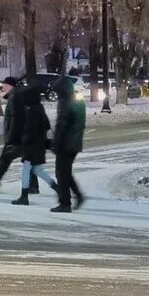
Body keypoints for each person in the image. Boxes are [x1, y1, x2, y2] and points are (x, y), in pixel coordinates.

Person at [0, 76, 37, 194]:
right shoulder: (17, 96)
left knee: (5, 160)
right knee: (28, 161)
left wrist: (11, 138)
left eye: (5, 84)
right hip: (22, 136)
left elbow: (15, 120)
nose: (3, 87)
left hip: (16, 138)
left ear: (11, 86)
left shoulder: (15, 98)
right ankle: (33, 186)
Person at [12, 86, 57, 206]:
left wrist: (23, 142)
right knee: (37, 169)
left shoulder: (31, 111)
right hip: (40, 144)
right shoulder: (40, 108)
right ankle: (57, 188)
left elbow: (30, 131)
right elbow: (47, 125)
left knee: (26, 169)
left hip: (31, 145)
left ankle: (24, 196)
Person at [50, 76, 85, 213]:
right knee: (66, 172)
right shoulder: (77, 100)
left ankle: (65, 204)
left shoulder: (65, 102)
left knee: (61, 174)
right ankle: (78, 196)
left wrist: (56, 143)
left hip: (65, 143)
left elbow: (62, 125)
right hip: (75, 142)